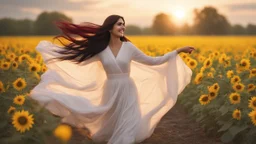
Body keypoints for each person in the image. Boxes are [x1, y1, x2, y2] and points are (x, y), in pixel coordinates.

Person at [29, 14, 195, 144]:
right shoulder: (100, 49)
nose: (123, 27)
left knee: (127, 127)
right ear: (109, 28)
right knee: (112, 123)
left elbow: (153, 61)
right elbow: (79, 61)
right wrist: (57, 57)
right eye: (119, 24)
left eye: (123, 24)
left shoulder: (129, 47)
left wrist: (177, 51)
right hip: (110, 90)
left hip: (128, 89)